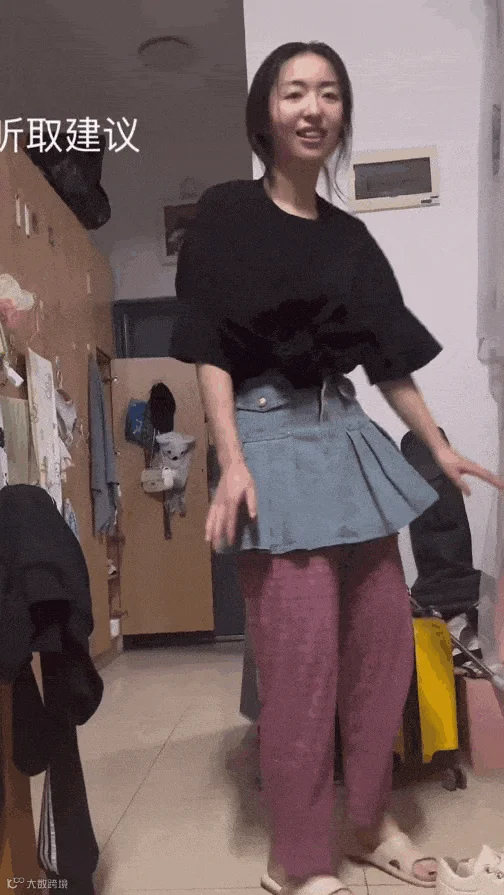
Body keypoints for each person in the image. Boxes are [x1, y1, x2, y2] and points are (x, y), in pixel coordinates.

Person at [169, 41, 504, 895]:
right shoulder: (226, 213)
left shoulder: (350, 237)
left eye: (328, 93)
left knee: (382, 654)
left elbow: (388, 356)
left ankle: (368, 823)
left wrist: (437, 445)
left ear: (343, 113)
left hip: (346, 436)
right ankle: (295, 860)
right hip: (268, 438)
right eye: (294, 92)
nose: (312, 108)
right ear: (266, 111)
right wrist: (232, 459)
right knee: (301, 671)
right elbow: (208, 345)